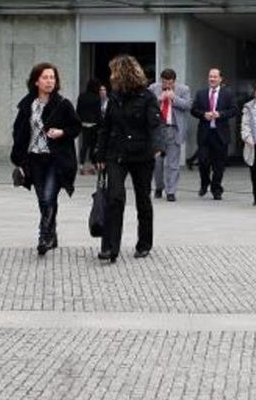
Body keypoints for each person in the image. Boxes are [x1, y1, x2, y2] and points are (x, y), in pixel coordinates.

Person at [94, 55, 161, 261]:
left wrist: (157, 147)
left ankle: (144, 244)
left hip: (142, 154)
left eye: (114, 71)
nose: (111, 76)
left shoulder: (148, 97)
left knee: (143, 200)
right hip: (117, 153)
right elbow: (106, 127)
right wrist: (100, 154)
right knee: (114, 197)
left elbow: (155, 125)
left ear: (123, 73)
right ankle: (110, 247)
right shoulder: (114, 96)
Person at [10, 62, 81, 257]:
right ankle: (52, 233)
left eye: (52, 77)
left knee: (49, 195)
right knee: (43, 199)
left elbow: (76, 127)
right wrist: (19, 157)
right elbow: (19, 131)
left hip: (56, 159)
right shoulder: (27, 104)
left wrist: (62, 132)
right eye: (45, 77)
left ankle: (44, 237)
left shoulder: (62, 104)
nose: (49, 81)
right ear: (36, 81)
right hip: (34, 158)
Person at [190, 67, 237, 200]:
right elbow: (193, 110)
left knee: (219, 165)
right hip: (205, 133)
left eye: (215, 77)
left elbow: (234, 110)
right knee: (203, 162)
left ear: (220, 79)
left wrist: (220, 114)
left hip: (220, 134)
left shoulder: (227, 94)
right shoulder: (201, 93)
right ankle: (205, 183)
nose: (212, 79)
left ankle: (217, 189)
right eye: (210, 76)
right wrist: (204, 114)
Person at [149, 68, 191, 201]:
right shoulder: (153, 88)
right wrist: (158, 99)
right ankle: (159, 187)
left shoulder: (183, 89)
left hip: (173, 129)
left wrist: (175, 98)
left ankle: (171, 191)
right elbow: (146, 104)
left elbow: (188, 105)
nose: (167, 86)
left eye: (170, 83)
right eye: (164, 83)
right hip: (158, 130)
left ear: (174, 81)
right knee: (157, 162)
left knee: (172, 163)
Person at [76, 78, 106, 176]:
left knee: (84, 145)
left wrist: (79, 121)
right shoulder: (96, 97)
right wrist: (101, 123)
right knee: (93, 145)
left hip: (84, 123)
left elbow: (78, 109)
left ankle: (81, 165)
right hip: (94, 124)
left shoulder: (82, 96)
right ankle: (93, 165)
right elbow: (98, 113)